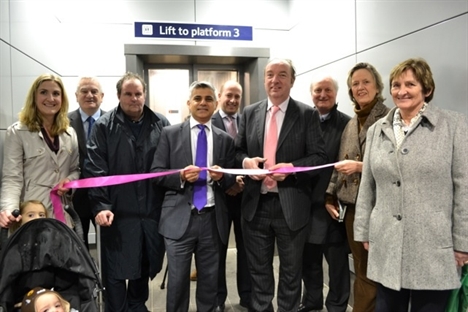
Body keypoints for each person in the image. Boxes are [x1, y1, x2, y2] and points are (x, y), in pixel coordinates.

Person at [354, 57, 468, 311]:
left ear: (426, 89)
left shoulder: (454, 126)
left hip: (433, 244)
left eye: (410, 84)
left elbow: (464, 188)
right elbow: (367, 186)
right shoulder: (376, 130)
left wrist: (463, 243)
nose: (402, 91)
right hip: (387, 241)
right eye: (396, 85)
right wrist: (363, 231)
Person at [236, 58, 327, 311]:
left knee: (291, 272)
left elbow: (319, 156)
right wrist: (246, 162)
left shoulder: (307, 114)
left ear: (292, 81)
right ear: (264, 79)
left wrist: (292, 169)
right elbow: (236, 152)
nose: (275, 80)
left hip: (292, 206)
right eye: (270, 75)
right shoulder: (249, 112)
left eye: (282, 75)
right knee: (259, 272)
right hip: (256, 205)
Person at [84, 72, 170, 312]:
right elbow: (95, 168)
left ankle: (136, 305)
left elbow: (169, 164)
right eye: (128, 94)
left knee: (145, 261)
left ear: (144, 95)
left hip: (152, 211)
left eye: (138, 93)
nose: (134, 98)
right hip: (118, 212)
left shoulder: (160, 123)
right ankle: (117, 308)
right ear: (119, 96)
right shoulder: (104, 126)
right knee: (116, 268)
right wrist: (101, 206)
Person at [151, 81, 236, 312]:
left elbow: (231, 180)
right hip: (178, 218)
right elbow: (156, 174)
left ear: (216, 104)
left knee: (209, 282)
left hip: (212, 219)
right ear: (189, 103)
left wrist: (222, 178)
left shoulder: (225, 140)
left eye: (208, 98)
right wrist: (179, 176)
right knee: (177, 283)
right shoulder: (169, 134)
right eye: (197, 98)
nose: (203, 103)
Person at [325, 62, 389, 312]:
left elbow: (397, 164)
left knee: (371, 272)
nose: (360, 87)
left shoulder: (389, 117)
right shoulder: (351, 124)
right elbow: (339, 164)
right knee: (363, 269)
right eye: (355, 84)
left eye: (366, 82)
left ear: (377, 86)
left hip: (380, 208)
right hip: (352, 210)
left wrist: (361, 167)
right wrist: (330, 196)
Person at [0, 73, 79, 228]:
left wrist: (69, 181)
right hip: (31, 215)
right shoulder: (17, 132)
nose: (50, 98)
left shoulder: (69, 133)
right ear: (34, 97)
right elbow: (12, 178)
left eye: (56, 93)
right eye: (44, 92)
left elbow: (75, 169)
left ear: (62, 99)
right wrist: (9, 209)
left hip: (62, 215)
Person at [300, 77, 351, 312]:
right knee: (309, 260)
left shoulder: (347, 125)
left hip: (333, 203)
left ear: (336, 94)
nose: (322, 94)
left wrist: (334, 196)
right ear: (311, 94)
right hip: (305, 203)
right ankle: (311, 302)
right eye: (317, 90)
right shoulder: (301, 122)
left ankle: (337, 306)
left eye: (327, 90)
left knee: (337, 262)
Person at [211, 80, 251, 311]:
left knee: (247, 250)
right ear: (220, 96)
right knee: (218, 250)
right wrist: (228, 182)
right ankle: (218, 299)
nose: (233, 100)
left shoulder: (247, 121)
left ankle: (247, 296)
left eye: (237, 96)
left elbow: (249, 153)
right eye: (229, 95)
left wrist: (240, 182)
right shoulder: (210, 121)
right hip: (220, 197)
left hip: (245, 197)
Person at [68, 76, 106, 248]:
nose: (89, 95)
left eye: (94, 91)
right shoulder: (63, 122)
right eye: (84, 91)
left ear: (102, 96)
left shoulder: (114, 121)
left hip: (106, 197)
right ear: (76, 96)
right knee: (77, 247)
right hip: (75, 198)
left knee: (108, 248)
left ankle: (106, 276)